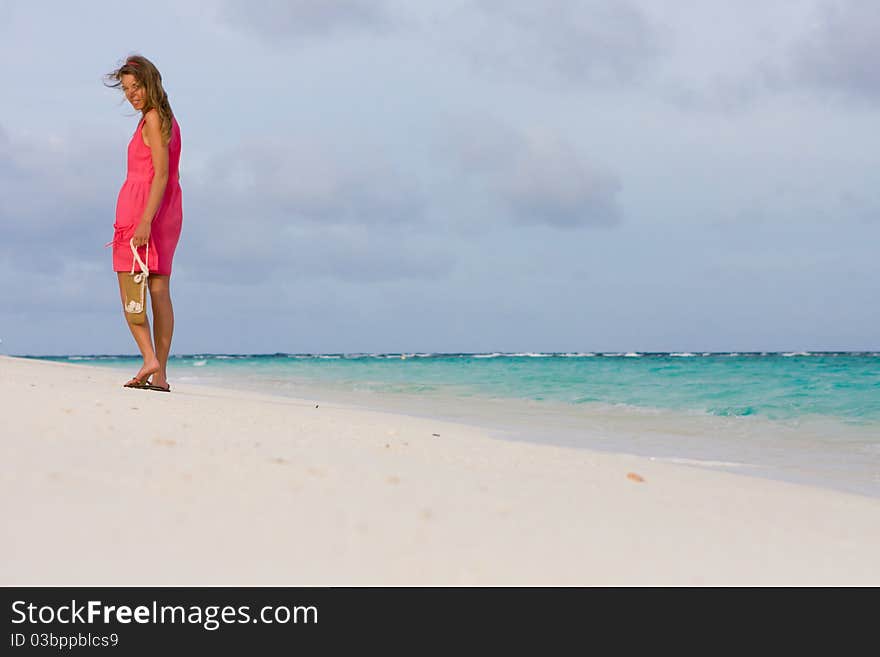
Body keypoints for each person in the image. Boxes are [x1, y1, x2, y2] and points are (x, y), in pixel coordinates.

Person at [104, 55, 182, 392]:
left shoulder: (152, 119)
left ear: (152, 82)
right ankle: (160, 375)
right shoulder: (166, 119)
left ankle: (149, 358)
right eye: (127, 89)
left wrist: (144, 221)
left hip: (144, 211)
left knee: (131, 291)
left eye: (136, 86)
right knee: (159, 289)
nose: (132, 94)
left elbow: (160, 174)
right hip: (166, 209)